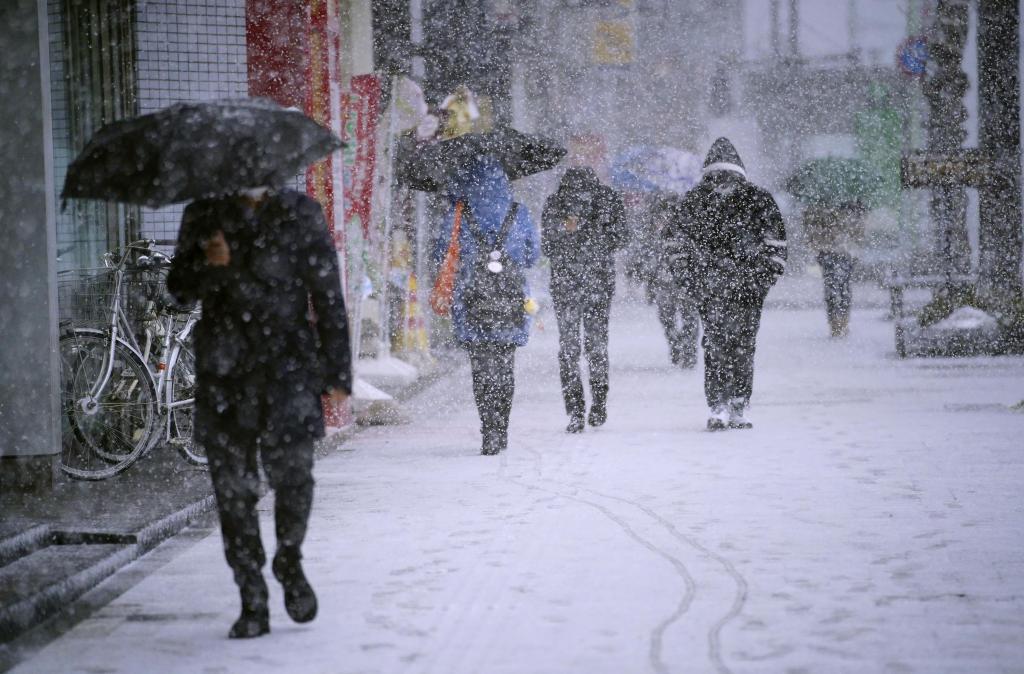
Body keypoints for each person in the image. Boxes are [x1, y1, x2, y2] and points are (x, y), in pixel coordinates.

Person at [167, 187, 351, 639]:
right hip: (225, 373)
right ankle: (251, 596)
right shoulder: (204, 213)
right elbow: (178, 289)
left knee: (294, 477)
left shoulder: (300, 213)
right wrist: (206, 265)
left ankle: (289, 558)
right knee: (233, 492)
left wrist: (338, 372)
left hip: (287, 369)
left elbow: (326, 292)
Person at [662, 138, 786, 431]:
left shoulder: (693, 200)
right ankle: (739, 404)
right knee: (744, 345)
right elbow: (777, 246)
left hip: (711, 287)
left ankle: (717, 403)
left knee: (715, 345)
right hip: (746, 289)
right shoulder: (759, 198)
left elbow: (673, 245)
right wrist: (761, 280)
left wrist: (691, 280)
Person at [435, 156, 540, 455]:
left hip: (471, 298)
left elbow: (442, 253)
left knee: (481, 366)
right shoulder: (519, 212)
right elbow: (532, 257)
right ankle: (502, 428)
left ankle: (488, 429)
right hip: (510, 297)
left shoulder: (459, 213)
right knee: (505, 364)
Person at [541, 167, 629, 432]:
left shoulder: (555, 203)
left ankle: (575, 411)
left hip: (565, 284)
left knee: (569, 348)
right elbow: (622, 238)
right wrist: (598, 238)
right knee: (597, 345)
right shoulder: (608, 199)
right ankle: (599, 402)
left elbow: (547, 246)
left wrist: (568, 233)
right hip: (599, 283)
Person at [649, 192, 700, 368]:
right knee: (674, 319)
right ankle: (681, 347)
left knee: (686, 318)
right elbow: (650, 261)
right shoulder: (656, 234)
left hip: (681, 282)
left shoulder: (685, 229)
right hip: (670, 283)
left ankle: (686, 350)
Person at [802, 201, 865, 337]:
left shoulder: (825, 207)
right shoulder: (835, 209)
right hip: (836, 252)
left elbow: (811, 234)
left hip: (836, 252)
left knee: (836, 287)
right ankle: (839, 321)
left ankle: (837, 322)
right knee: (840, 287)